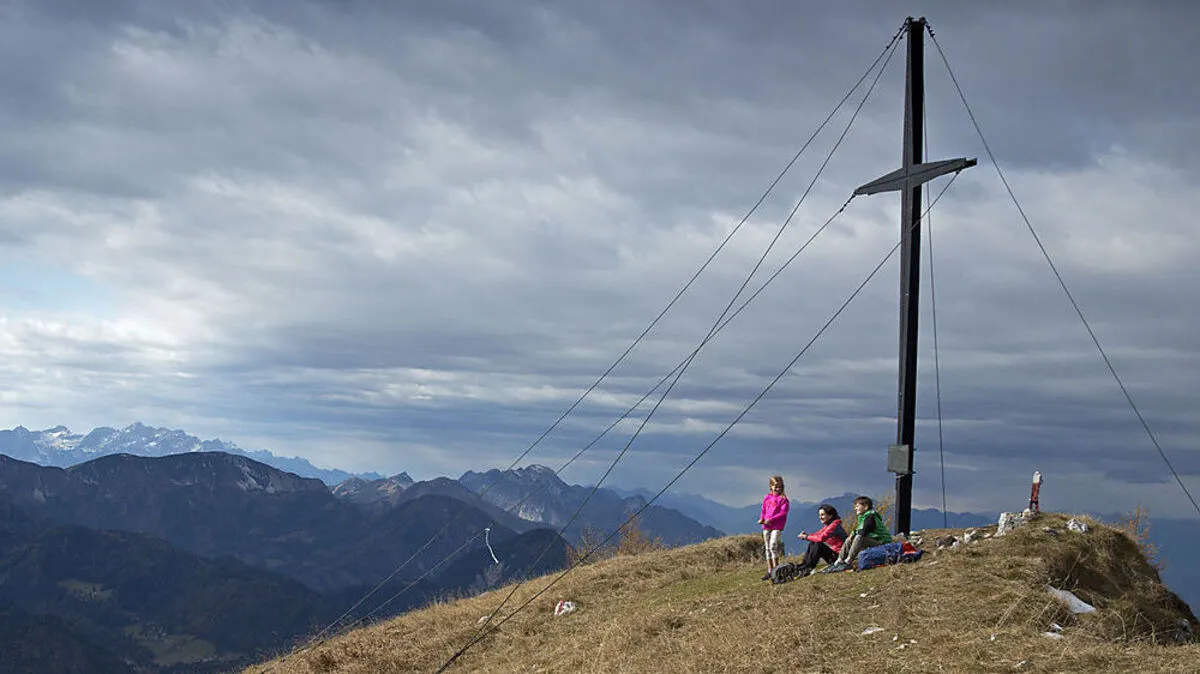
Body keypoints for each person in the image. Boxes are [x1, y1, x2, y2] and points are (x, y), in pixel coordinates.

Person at [823, 495, 891, 573]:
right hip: (873, 540)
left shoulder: (871, 516)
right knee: (849, 540)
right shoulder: (862, 516)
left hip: (882, 542)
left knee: (859, 537)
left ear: (865, 507)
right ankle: (839, 561)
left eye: (857, 506)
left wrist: (855, 534)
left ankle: (848, 561)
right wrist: (852, 535)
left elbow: (864, 530)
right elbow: (859, 529)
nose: (855, 508)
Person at [795, 504, 845, 576]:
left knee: (818, 544)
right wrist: (807, 536)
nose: (820, 517)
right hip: (835, 555)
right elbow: (817, 535)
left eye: (822, 515)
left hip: (840, 557)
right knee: (814, 542)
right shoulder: (829, 526)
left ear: (830, 516)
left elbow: (821, 538)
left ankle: (807, 568)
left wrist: (806, 537)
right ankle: (804, 565)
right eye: (819, 515)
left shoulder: (834, 526)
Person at [758, 475, 789, 580]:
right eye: (775, 486)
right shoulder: (767, 498)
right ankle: (770, 570)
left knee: (773, 546)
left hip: (777, 526)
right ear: (770, 486)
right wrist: (762, 518)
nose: (777, 489)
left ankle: (776, 570)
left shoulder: (783, 500)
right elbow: (763, 510)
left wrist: (771, 520)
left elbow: (783, 513)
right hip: (766, 525)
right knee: (767, 548)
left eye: (779, 487)